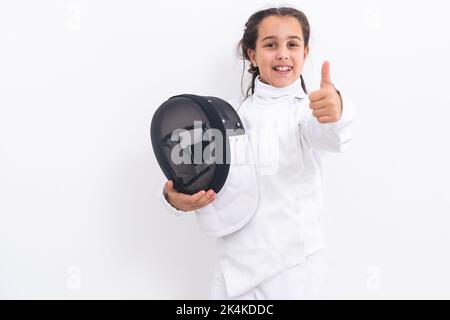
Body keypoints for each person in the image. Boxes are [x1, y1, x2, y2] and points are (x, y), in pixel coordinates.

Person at [160, 6, 356, 299]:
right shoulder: (223, 114)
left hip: (292, 270)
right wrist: (174, 199)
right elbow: (191, 173)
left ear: (305, 53)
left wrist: (336, 110)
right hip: (232, 270)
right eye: (270, 44)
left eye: (292, 44)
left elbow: (330, 136)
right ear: (252, 54)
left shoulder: (306, 112)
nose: (282, 54)